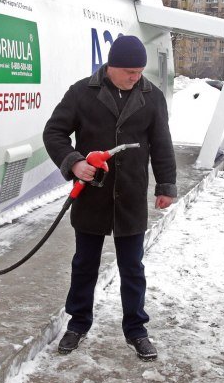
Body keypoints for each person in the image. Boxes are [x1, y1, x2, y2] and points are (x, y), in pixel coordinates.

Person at [43, 35, 177, 361]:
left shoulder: (151, 96)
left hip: (131, 195)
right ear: (111, 67)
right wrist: (75, 162)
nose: (135, 78)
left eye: (139, 72)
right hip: (92, 194)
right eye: (130, 72)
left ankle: (136, 330)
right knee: (84, 264)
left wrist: (166, 186)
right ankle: (77, 324)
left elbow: (162, 144)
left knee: (132, 268)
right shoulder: (81, 93)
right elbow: (54, 132)